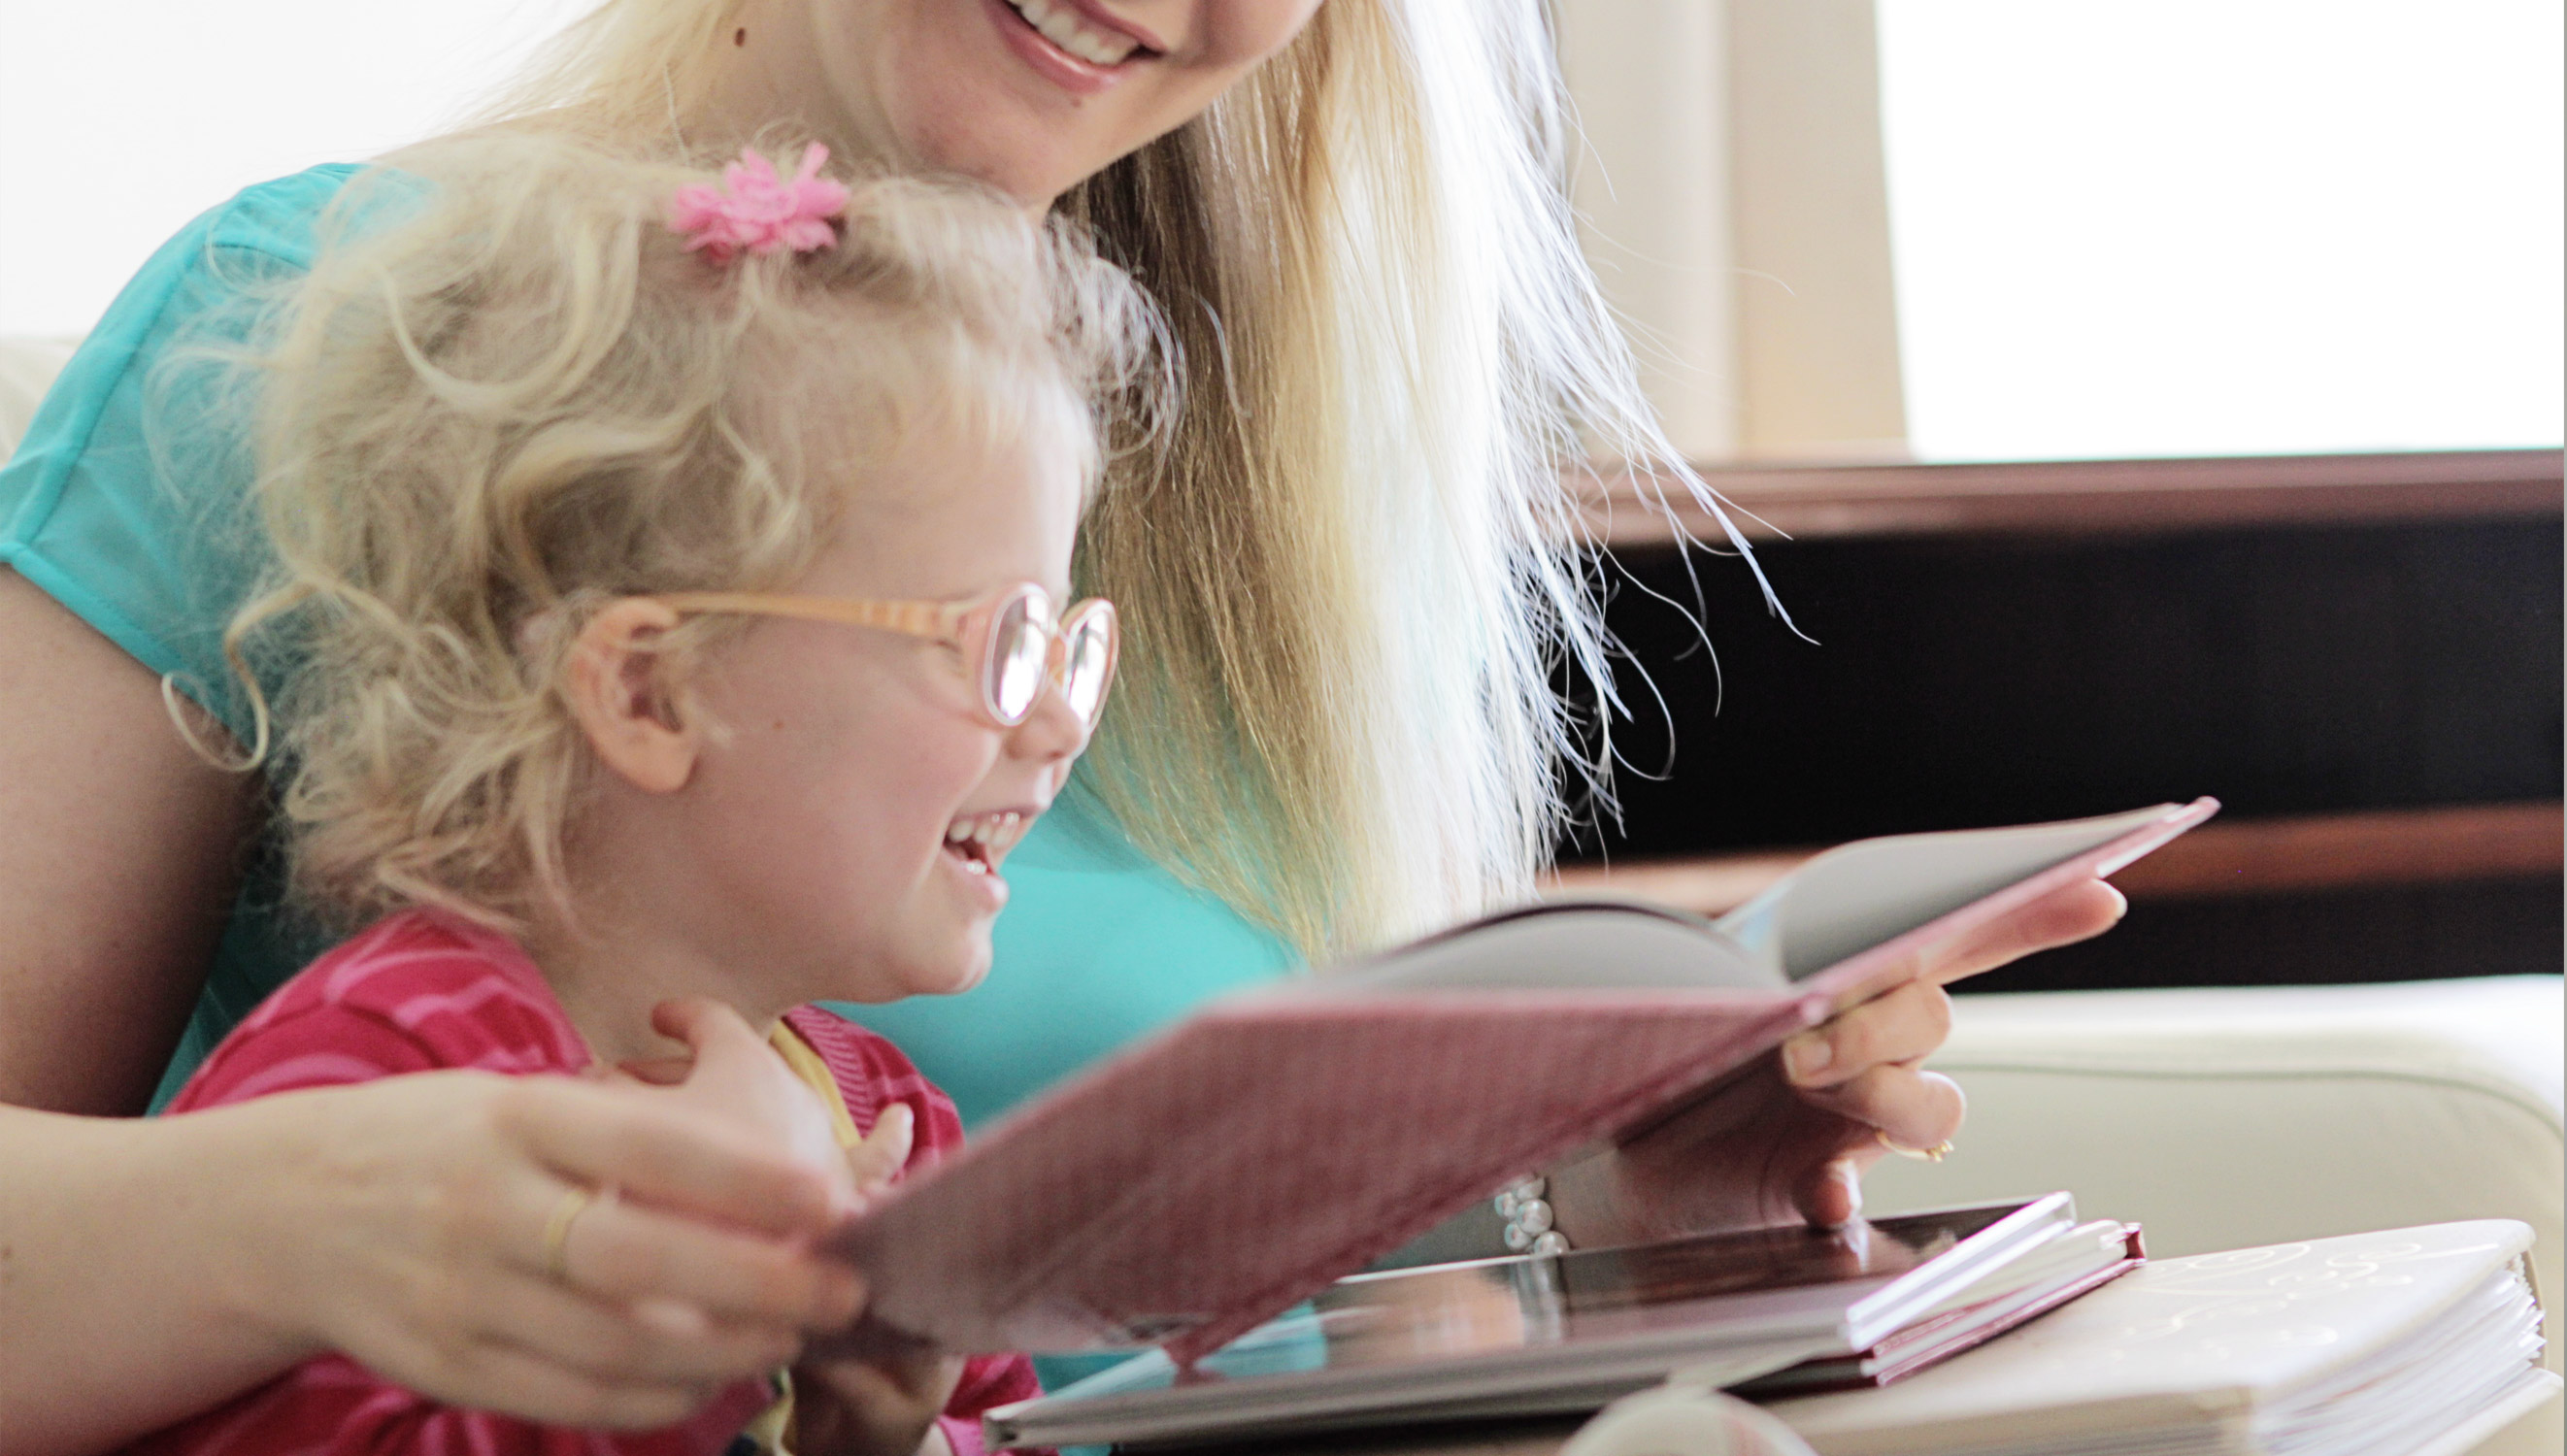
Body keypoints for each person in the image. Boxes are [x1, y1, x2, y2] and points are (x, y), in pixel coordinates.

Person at [0, 1, 2127, 1450]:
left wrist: (1589, 1219)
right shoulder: (319, 340)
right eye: (978, 642)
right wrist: (321, 1209)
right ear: (630, 678)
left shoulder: (1217, 483)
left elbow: (1205, 1341)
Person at [115, 133, 1147, 1456]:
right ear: (651, 693)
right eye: (1001, 641)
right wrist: (704, 1348)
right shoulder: (384, 1079)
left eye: (1066, 646)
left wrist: (882, 1435)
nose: (1061, 721)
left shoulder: (893, 1127)